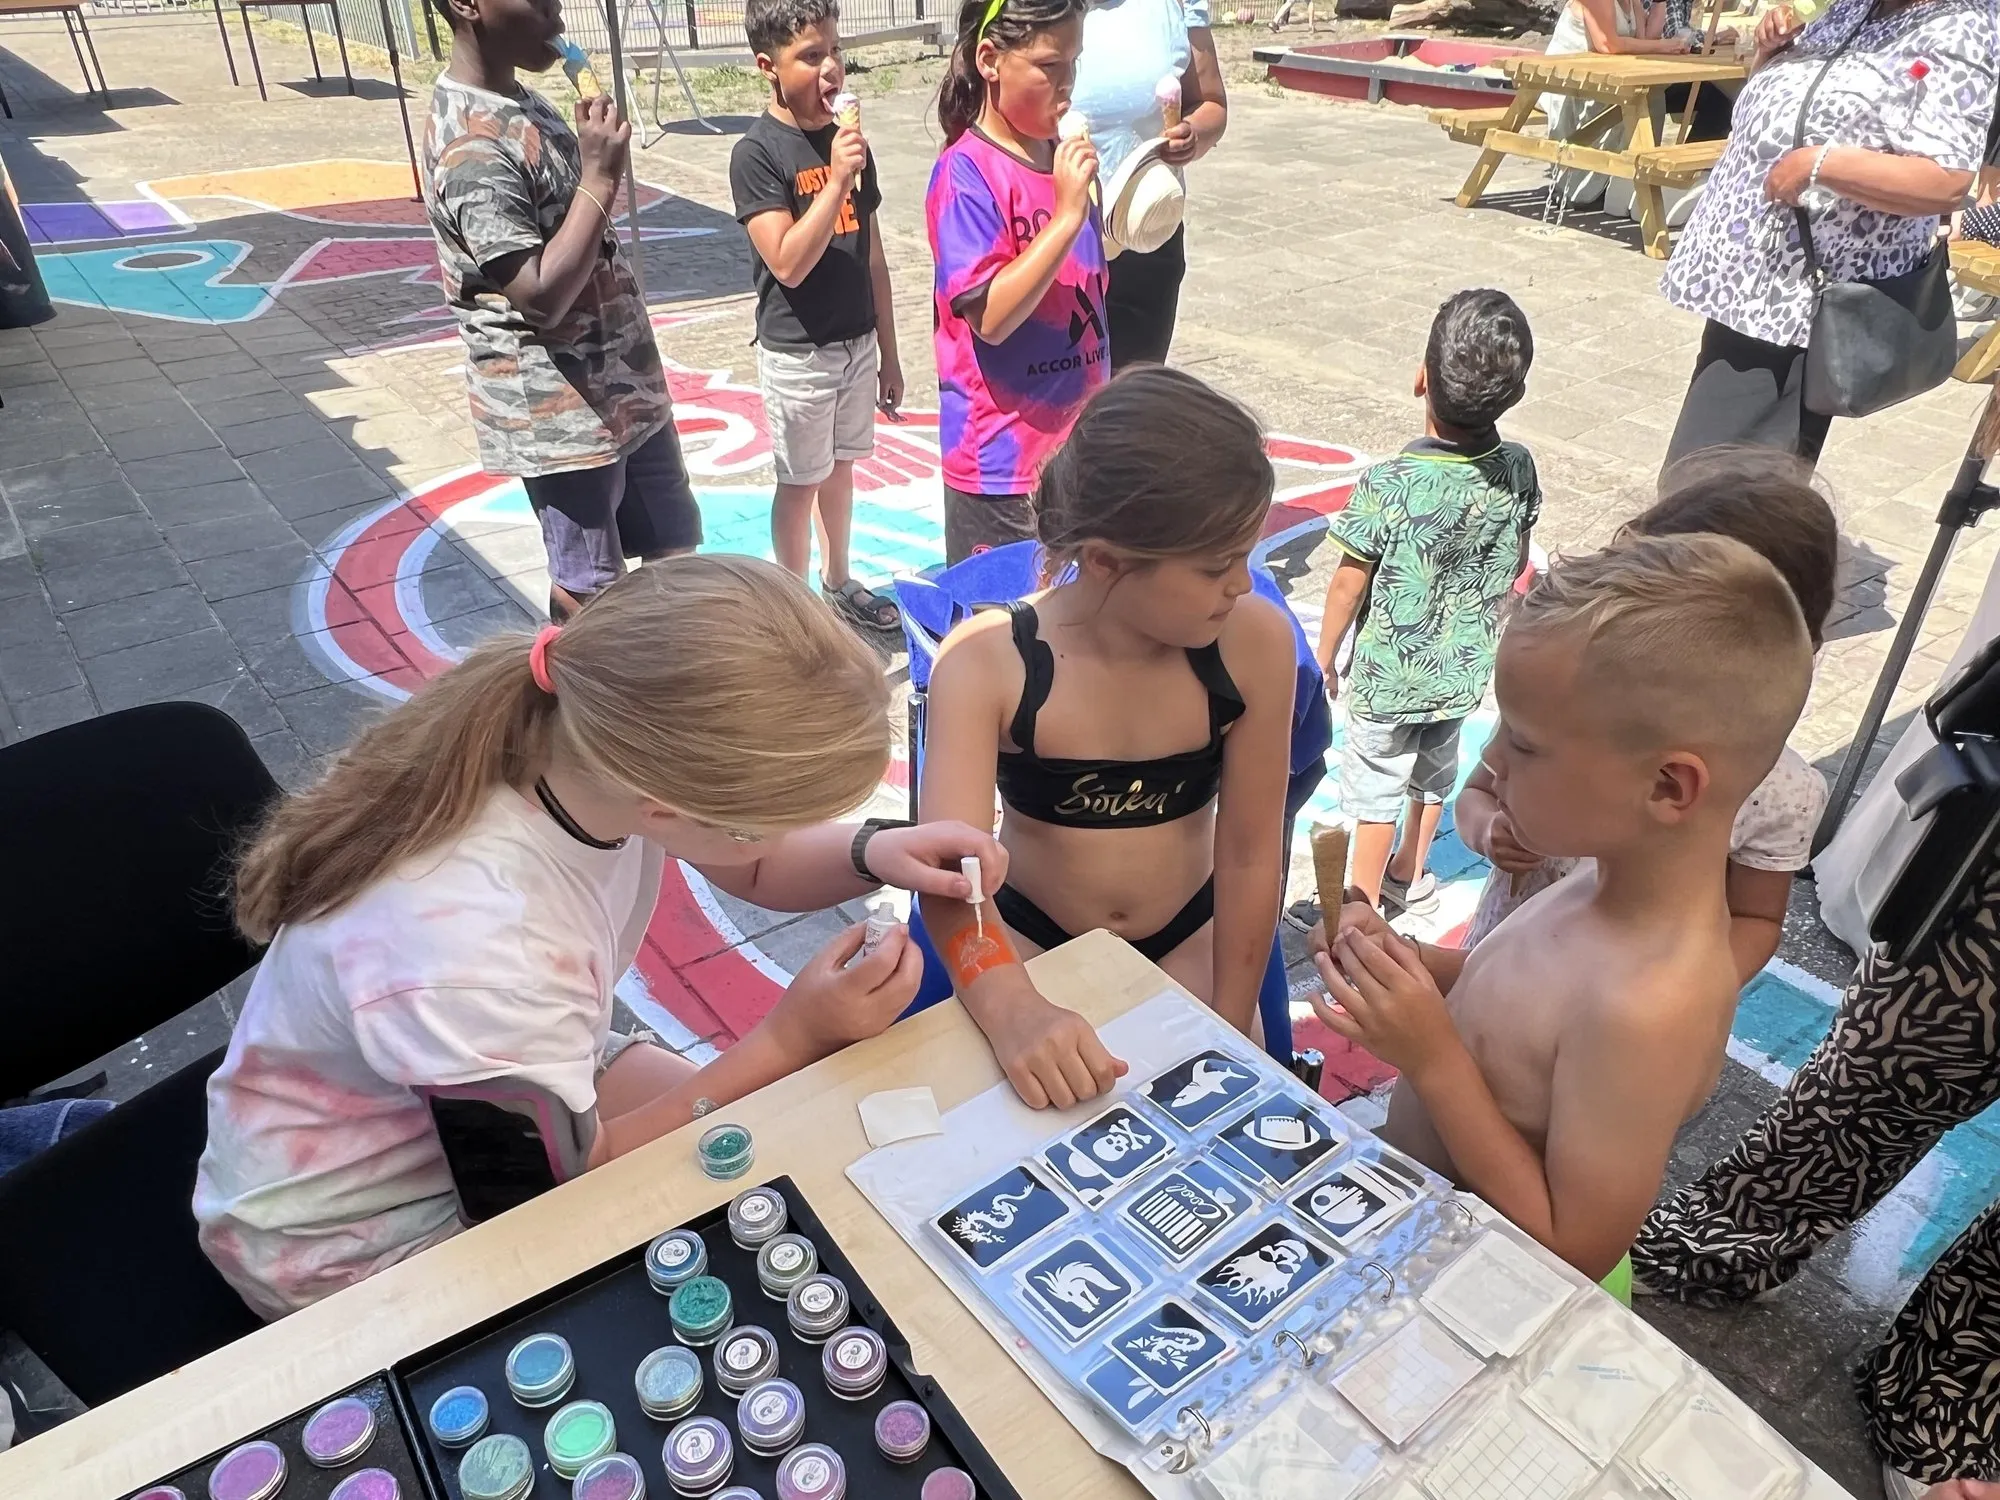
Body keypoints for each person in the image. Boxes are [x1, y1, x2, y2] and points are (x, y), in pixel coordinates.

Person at [194, 557, 1005, 1319]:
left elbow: (754, 864)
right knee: (759, 1210)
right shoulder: (480, 947)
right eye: (769, 821)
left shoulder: (578, 740)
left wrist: (876, 851)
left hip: (518, 1084)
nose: (781, 839)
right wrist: (795, 1038)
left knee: (773, 1136)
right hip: (351, 1241)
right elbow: (553, 1199)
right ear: (665, 806)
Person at [1308, 534, 1815, 1287]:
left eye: (1525, 744)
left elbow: (1578, 1246)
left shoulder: (1651, 1004)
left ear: (1667, 788)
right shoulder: (1596, 882)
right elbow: (1514, 1002)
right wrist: (1404, 962)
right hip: (1421, 1232)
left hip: (1490, 1287)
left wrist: (1430, 1057)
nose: (1493, 762)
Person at [919, 367, 1297, 1109]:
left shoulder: (1253, 644)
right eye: (1216, 567)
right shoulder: (989, 663)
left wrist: (1231, 1018)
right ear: (1104, 561)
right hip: (1030, 934)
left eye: (1246, 557)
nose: (1243, 585)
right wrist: (1013, 1011)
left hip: (1191, 934)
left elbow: (1252, 851)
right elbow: (949, 877)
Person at [1457, 446, 1835, 977]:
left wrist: (1690, 988)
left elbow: (1756, 917)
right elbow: (1477, 792)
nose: (1495, 754)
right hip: (1497, 957)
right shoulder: (1555, 708)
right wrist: (1486, 829)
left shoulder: (1785, 795)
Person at [421, 0, 699, 622]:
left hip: (624, 385)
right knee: (590, 591)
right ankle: (586, 687)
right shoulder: (471, 144)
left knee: (673, 546)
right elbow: (539, 296)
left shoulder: (522, 100)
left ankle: (673, 670)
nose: (558, 14)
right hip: (561, 417)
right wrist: (599, 177)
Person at [1662, 0, 1997, 469]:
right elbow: (1783, 112)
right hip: (1745, 285)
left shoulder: (1962, 29)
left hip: (1800, 302)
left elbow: (1947, 179)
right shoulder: (1850, 7)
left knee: (1715, 482)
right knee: (1716, 472)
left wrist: (1819, 165)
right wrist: (1769, 55)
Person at [1314, 289, 1539, 916]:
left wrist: (1324, 657)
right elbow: (1516, 556)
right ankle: (1410, 873)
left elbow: (1347, 583)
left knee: (1375, 792)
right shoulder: (1517, 468)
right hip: (1464, 667)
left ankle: (1359, 904)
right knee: (1434, 773)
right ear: (1516, 393)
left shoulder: (1390, 482)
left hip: (1389, 676)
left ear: (1422, 378)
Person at [731, 0, 904, 634]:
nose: (830, 67)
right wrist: (834, 182)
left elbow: (874, 257)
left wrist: (889, 353)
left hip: (857, 343)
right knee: (801, 481)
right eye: (810, 56)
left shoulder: (850, 145)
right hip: (798, 354)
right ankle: (793, 606)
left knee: (841, 469)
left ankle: (838, 581)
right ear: (767, 67)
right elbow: (787, 263)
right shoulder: (756, 154)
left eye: (834, 50)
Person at [928, 0, 1109, 565]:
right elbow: (991, 318)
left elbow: (1089, 284)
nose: (1067, 84)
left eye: (1074, 63)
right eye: (1049, 66)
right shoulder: (967, 173)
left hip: (1077, 457)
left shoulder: (1062, 163)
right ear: (990, 60)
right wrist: (1067, 216)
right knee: (1008, 619)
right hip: (1002, 473)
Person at [1068, 0, 1227, 368]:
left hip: (1146, 230)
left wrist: (1192, 135)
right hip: (1047, 239)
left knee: (1130, 394)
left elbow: (1212, 103)